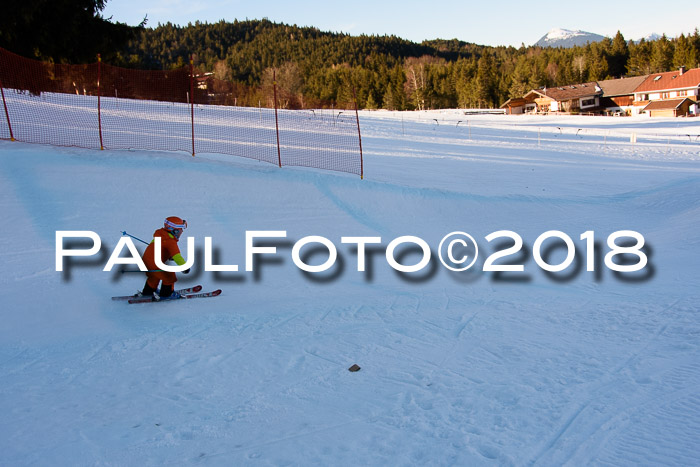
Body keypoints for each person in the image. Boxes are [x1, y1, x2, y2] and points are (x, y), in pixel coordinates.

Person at [140, 216, 190, 299]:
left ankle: (148, 292)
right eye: (181, 229)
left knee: (154, 277)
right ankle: (167, 294)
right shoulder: (170, 242)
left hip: (146, 263)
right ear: (175, 230)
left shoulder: (161, 235)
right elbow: (177, 256)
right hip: (154, 264)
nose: (181, 232)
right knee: (169, 276)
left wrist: (168, 255)